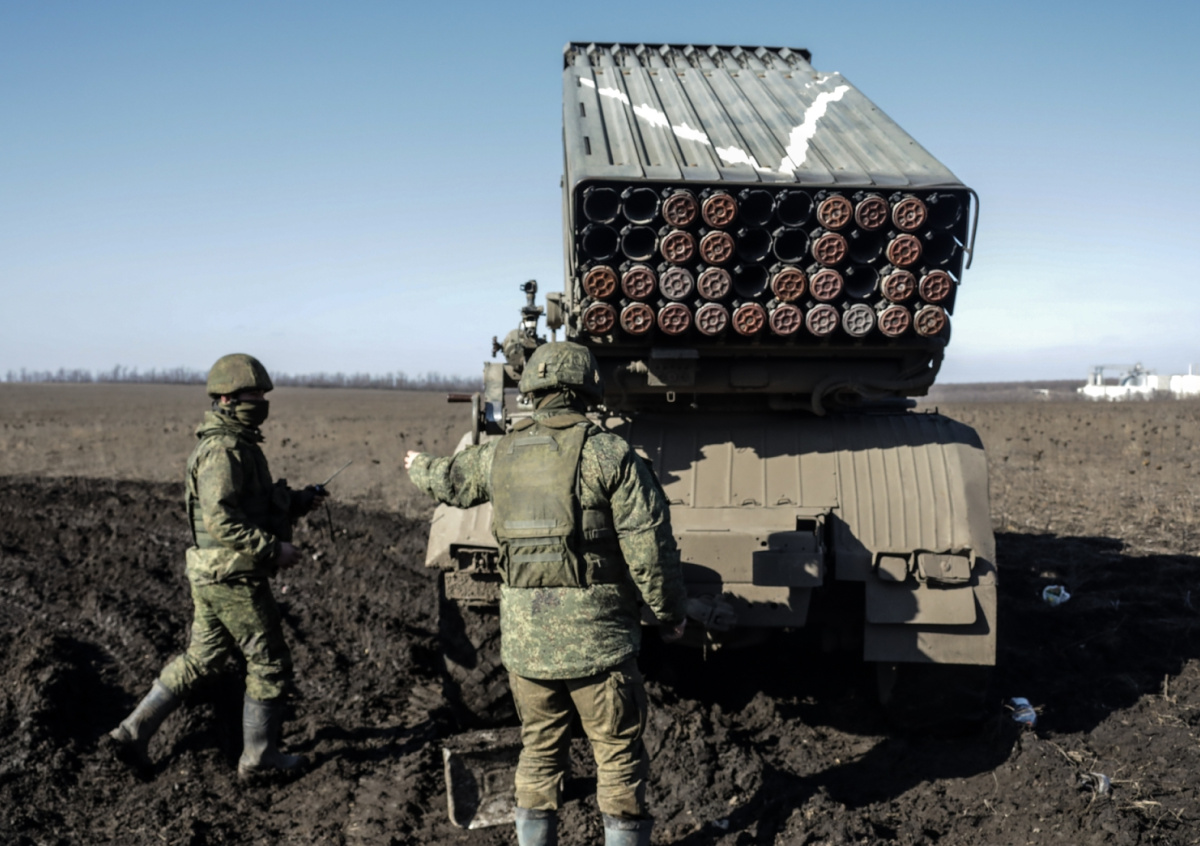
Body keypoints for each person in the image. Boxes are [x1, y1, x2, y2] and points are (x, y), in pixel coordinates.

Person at [405, 341, 687, 846]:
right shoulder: (609, 454)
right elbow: (650, 550)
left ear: (533, 391)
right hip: (600, 647)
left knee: (537, 753)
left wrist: (415, 463)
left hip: (527, 649)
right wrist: (671, 614)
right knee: (618, 758)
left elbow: (449, 481)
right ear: (588, 391)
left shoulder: (498, 453)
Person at [107, 353, 324, 779]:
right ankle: (260, 760)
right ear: (226, 399)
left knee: (202, 659)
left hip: (215, 572)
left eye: (263, 394)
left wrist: (299, 501)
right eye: (252, 395)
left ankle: (132, 732)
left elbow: (253, 504)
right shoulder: (224, 450)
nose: (261, 402)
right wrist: (272, 550)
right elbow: (221, 520)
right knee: (269, 662)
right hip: (232, 575)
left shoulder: (238, 444)